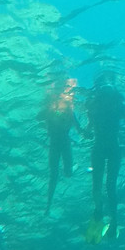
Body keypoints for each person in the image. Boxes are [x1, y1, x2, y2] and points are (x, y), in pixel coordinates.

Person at [84, 70, 125, 241]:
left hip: (103, 149)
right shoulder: (113, 104)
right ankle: (109, 218)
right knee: (107, 186)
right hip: (110, 149)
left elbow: (87, 131)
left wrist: (83, 131)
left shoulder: (99, 105)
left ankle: (103, 213)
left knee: (102, 185)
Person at [38, 77, 82, 216]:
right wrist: (50, 111)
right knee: (54, 175)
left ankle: (73, 168)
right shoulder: (52, 107)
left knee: (66, 173)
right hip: (56, 144)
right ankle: (48, 205)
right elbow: (38, 117)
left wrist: (87, 134)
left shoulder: (70, 111)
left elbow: (79, 129)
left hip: (63, 142)